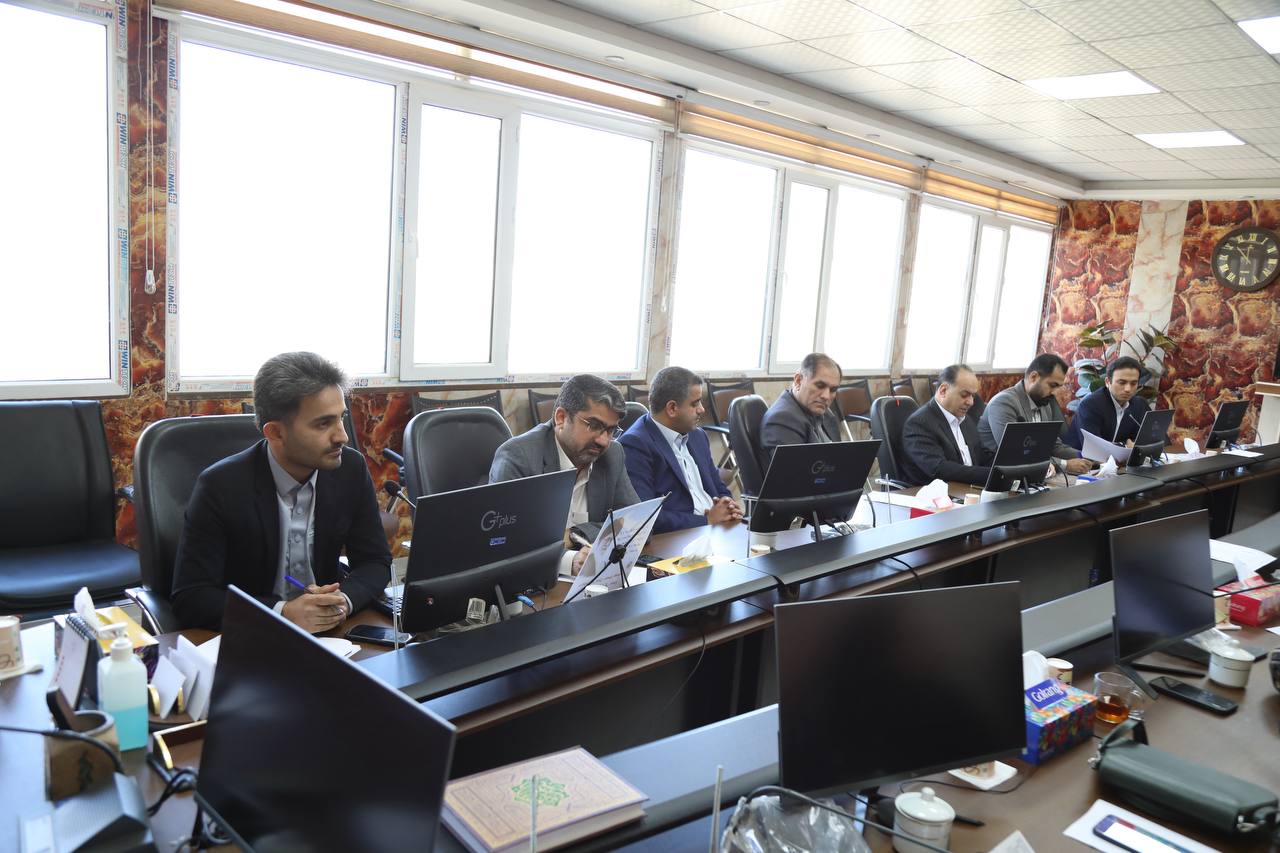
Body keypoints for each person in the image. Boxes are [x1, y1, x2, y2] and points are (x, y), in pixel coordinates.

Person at [171, 352, 391, 632]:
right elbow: (192, 597)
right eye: (323, 424)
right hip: (254, 635)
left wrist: (342, 602)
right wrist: (282, 612)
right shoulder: (220, 486)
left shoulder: (350, 469)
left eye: (341, 418)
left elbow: (375, 561)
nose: (342, 436)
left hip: (331, 635)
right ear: (275, 433)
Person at [489, 374, 640, 574]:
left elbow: (635, 524)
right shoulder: (519, 457)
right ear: (561, 418)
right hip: (533, 581)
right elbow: (504, 542)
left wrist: (574, 534)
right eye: (594, 426)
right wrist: (569, 559)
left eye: (611, 430)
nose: (604, 441)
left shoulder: (612, 454)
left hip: (595, 577)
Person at [620, 366, 743, 534]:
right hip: (679, 537)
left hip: (716, 530)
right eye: (695, 403)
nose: (702, 409)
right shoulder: (635, 444)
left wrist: (727, 504)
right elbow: (645, 515)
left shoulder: (697, 435)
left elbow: (718, 486)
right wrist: (707, 520)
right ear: (672, 408)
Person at [978, 353, 1092, 476]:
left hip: (1032, 473)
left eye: (1059, 387)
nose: (1055, 392)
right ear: (1033, 377)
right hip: (995, 475)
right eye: (1052, 385)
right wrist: (1065, 464)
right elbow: (1016, 452)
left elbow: (1053, 445)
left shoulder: (1044, 402)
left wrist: (1086, 456)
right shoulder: (1004, 403)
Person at [900, 364, 993, 486]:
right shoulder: (919, 424)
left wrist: (1008, 468)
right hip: (937, 493)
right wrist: (991, 475)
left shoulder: (966, 420)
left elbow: (982, 456)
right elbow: (940, 469)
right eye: (964, 395)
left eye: (973, 396)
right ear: (943, 390)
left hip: (968, 489)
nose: (970, 402)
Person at [760, 352, 843, 460]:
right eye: (820, 386)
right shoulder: (782, 419)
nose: (826, 396)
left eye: (833, 390)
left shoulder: (824, 412)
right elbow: (795, 470)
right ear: (798, 381)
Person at [1065, 356, 1151, 451]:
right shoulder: (1090, 405)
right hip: (1082, 458)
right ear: (1107, 382)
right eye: (1122, 383)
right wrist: (1126, 446)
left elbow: (1149, 439)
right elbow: (1094, 448)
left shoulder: (1139, 404)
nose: (1128, 389)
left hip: (1123, 459)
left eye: (1133, 383)